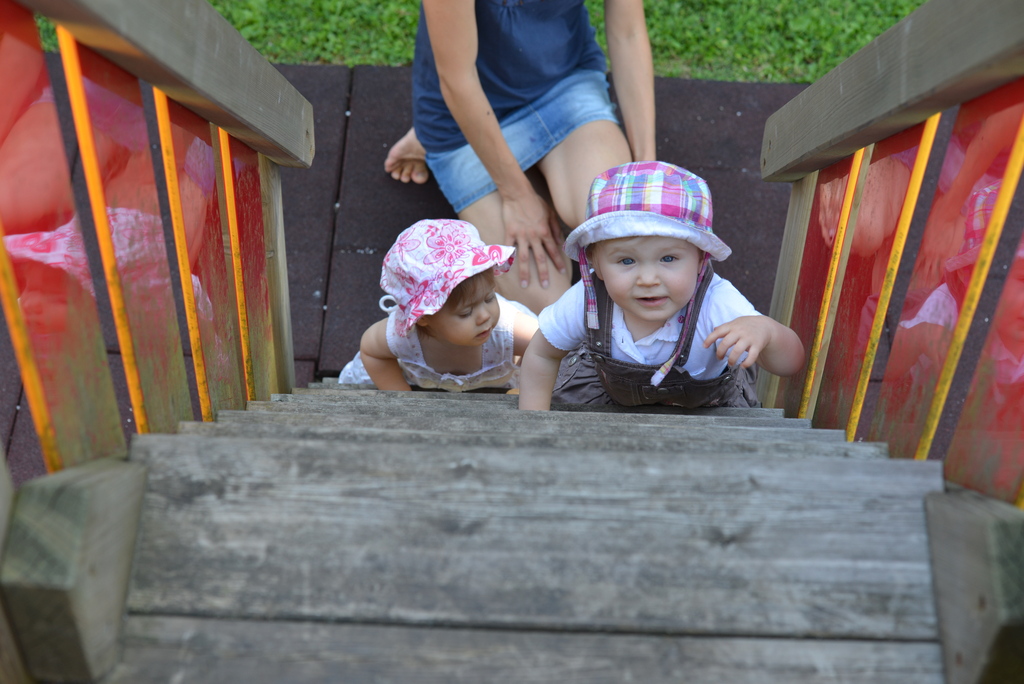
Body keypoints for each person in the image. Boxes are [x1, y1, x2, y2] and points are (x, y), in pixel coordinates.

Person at [383, 0, 655, 314]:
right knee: (548, 303)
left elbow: (628, 33)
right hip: (461, 122)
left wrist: (647, 170)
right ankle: (428, 136)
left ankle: (429, 140)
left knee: (620, 221)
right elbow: (458, 81)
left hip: (562, 85)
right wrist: (518, 196)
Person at [517, 162, 805, 410]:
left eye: (668, 258)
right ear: (596, 263)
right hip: (612, 400)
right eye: (627, 261)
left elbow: (791, 364)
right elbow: (542, 354)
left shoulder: (716, 303)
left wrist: (766, 332)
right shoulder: (589, 298)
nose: (648, 279)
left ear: (701, 259)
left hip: (709, 410)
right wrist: (533, 427)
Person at [338, 218, 540, 392]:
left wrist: (525, 389)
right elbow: (371, 352)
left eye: (489, 298)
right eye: (466, 312)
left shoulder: (506, 331)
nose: (485, 315)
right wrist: (401, 396)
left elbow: (547, 343)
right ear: (423, 317)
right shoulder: (403, 338)